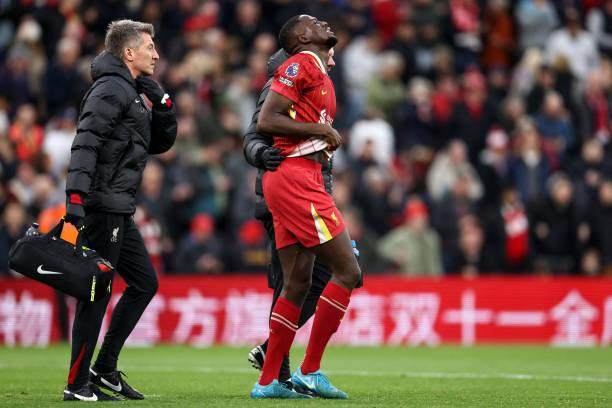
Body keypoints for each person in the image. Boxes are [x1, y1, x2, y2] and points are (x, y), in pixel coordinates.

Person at [62, 19, 176, 401]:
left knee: (144, 283)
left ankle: (105, 369)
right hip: (102, 206)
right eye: (149, 48)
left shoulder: (130, 90)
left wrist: (162, 104)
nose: (156, 55)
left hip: (119, 207)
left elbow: (155, 143)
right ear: (129, 53)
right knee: (96, 293)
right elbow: (86, 142)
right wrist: (75, 199)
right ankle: (77, 384)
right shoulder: (111, 88)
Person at [250, 15, 361, 399]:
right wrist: (321, 130)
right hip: (297, 178)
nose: (323, 22)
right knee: (348, 271)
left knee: (297, 283)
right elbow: (266, 120)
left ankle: (268, 381)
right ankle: (310, 371)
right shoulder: (301, 64)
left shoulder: (317, 68)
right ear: (301, 37)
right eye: (313, 22)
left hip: (297, 178)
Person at [242, 47, 334, 386]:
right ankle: (277, 374)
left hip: (309, 194)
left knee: (310, 279)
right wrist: (262, 153)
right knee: (294, 281)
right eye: (328, 55)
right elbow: (253, 135)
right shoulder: (280, 85)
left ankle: (272, 355)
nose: (330, 62)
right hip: (284, 196)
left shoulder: (313, 91)